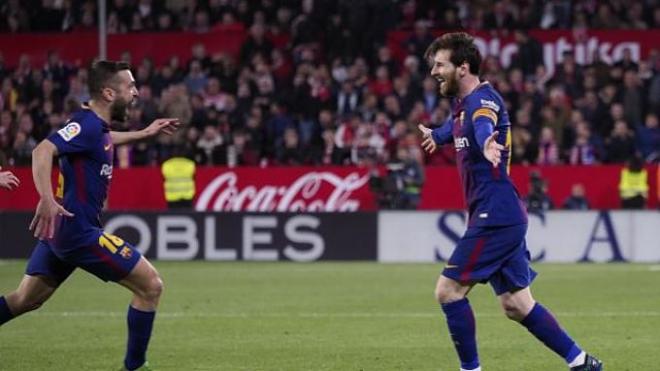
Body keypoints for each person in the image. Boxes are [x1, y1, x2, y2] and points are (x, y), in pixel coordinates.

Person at [417, 33, 602, 371]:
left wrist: (488, 142)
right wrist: (436, 135)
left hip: (495, 215)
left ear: (463, 67)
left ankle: (470, 370)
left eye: (440, 64)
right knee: (517, 304)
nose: (433, 71)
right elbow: (456, 126)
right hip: (502, 214)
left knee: (448, 291)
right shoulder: (462, 105)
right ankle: (582, 362)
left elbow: (481, 123)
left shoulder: (482, 102)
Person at [0, 61, 180, 371]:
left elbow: (104, 141)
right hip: (77, 231)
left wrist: (144, 133)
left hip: (61, 230)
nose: (136, 92)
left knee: (24, 300)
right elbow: (41, 151)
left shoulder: (96, 128)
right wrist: (46, 197)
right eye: (131, 86)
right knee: (150, 286)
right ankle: (135, 367)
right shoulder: (86, 125)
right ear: (109, 93)